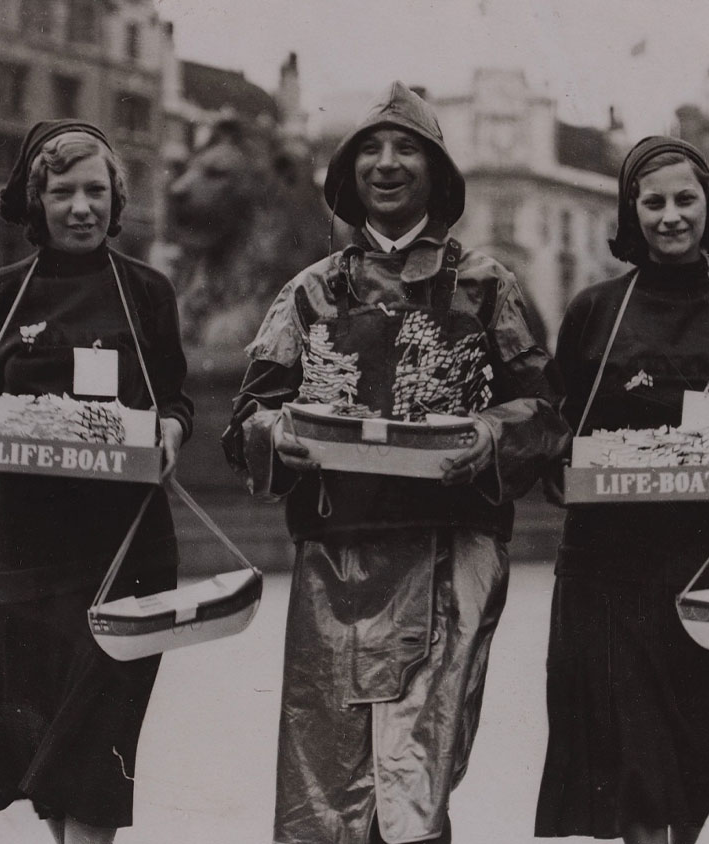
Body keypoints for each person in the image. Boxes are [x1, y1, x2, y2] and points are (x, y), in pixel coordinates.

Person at [222, 81, 569, 844]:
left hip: (450, 554)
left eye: (406, 148)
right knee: (327, 784)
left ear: (438, 176)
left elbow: (544, 412)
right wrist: (278, 435)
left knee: (416, 779)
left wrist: (487, 434)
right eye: (370, 151)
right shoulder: (309, 293)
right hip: (336, 561)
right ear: (347, 179)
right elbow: (245, 419)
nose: (387, 164)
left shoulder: (485, 285)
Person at [533, 136, 709, 844]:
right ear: (630, 212)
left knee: (694, 747)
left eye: (686, 200)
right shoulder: (594, 309)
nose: (671, 216)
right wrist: (561, 467)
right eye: (653, 202)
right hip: (606, 566)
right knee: (633, 761)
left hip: (704, 557)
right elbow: (553, 428)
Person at [0, 120, 192, 844]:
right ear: (35, 201)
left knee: (99, 741)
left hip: (128, 552)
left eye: (96, 191)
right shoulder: (0, 296)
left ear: (117, 202)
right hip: (28, 552)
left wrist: (171, 430)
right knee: (44, 750)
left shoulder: (146, 292)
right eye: (62, 192)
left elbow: (176, 400)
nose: (81, 206)